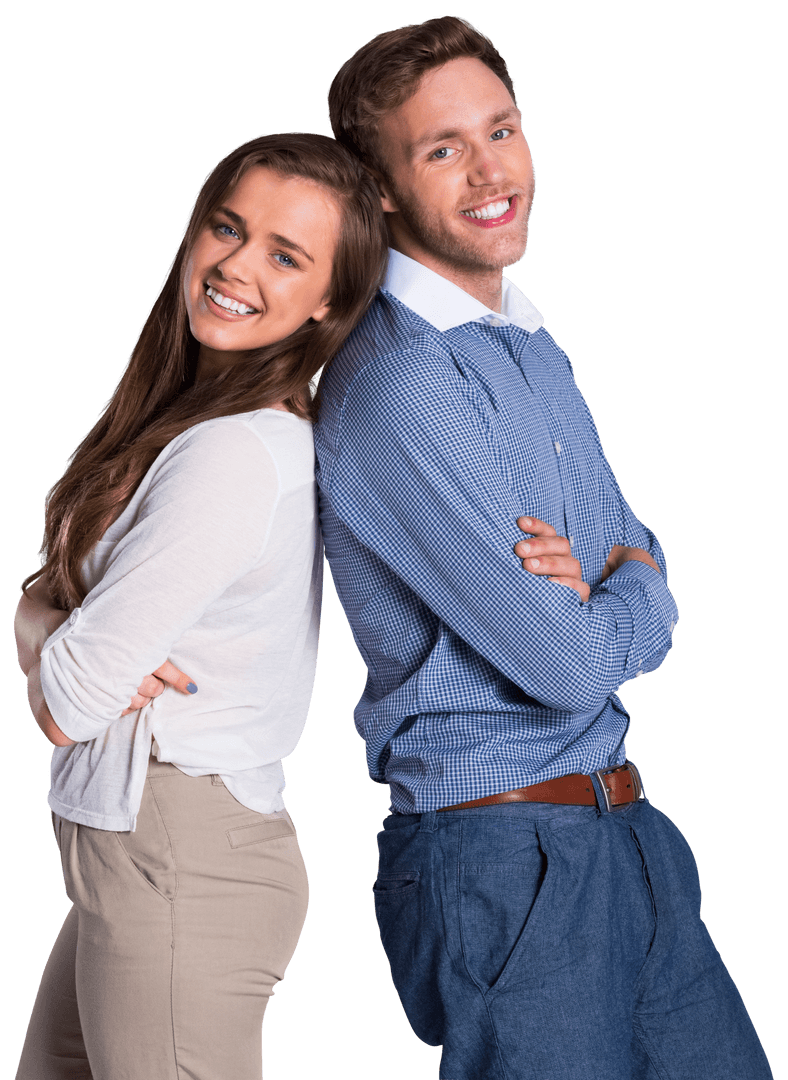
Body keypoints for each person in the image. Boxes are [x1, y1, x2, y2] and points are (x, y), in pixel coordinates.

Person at [315, 16, 772, 1080]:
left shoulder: (524, 339)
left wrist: (621, 580)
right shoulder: (401, 382)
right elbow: (569, 662)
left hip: (626, 832)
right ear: (379, 189)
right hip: (502, 858)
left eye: (502, 130)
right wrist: (633, 594)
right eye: (442, 149)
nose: (491, 170)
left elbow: (631, 546)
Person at [14, 131, 386, 1080]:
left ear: (330, 302)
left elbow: (69, 705)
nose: (235, 266)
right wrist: (46, 630)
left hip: (182, 859)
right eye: (229, 227)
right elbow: (51, 616)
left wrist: (54, 643)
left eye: (285, 255)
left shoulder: (232, 455)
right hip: (135, 856)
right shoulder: (189, 422)